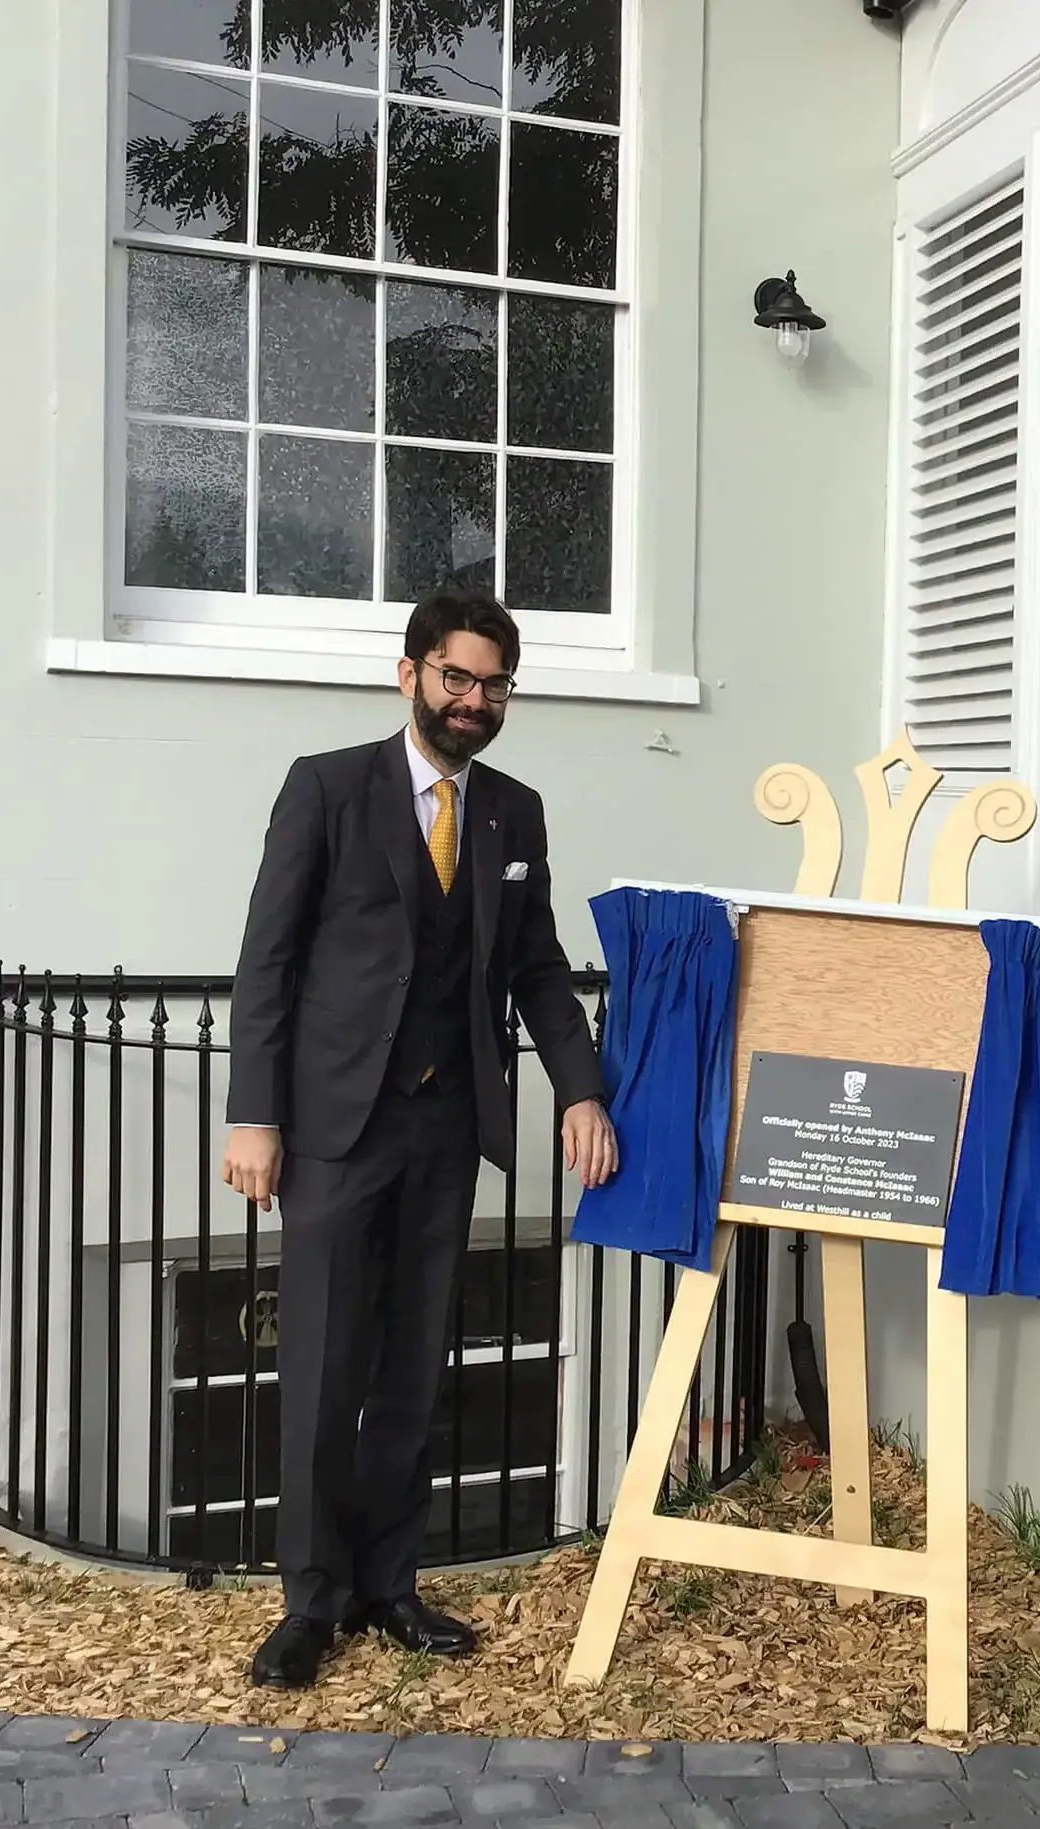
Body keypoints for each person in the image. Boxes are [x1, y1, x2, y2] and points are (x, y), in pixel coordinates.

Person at [222, 590, 619, 1689]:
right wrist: (253, 1112)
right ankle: (312, 1598)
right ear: (409, 675)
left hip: (450, 1127)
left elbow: (535, 965)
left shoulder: (512, 811)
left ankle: (390, 1584)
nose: (474, 701)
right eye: (457, 678)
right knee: (321, 1363)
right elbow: (269, 960)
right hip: (337, 1129)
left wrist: (580, 1090)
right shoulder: (327, 786)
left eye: (493, 685)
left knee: (410, 1367)